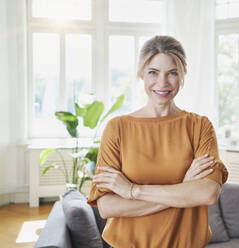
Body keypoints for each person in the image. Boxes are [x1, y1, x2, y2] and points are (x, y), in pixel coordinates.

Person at [87, 35, 229, 248]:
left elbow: (207, 193)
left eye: (172, 73)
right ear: (141, 74)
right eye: (153, 72)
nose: (162, 83)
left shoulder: (199, 126)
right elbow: (107, 206)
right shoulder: (117, 128)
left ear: (182, 76)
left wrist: (133, 191)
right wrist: (183, 188)